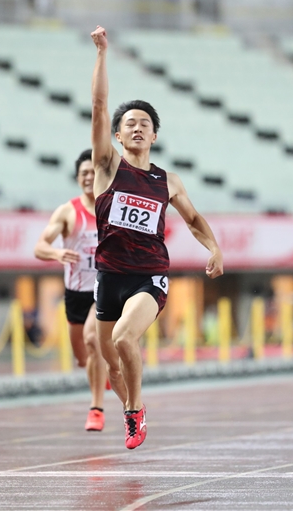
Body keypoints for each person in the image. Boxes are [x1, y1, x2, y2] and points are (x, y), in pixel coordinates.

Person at [90, 25, 224, 449]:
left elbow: (194, 218)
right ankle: (128, 398)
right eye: (129, 123)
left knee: (123, 337)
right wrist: (102, 54)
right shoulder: (108, 167)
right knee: (111, 361)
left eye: (144, 124)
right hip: (109, 275)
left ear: (154, 135)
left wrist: (214, 247)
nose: (136, 128)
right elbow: (98, 105)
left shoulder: (168, 181)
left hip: (149, 275)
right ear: (117, 135)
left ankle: (135, 411)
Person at [34, 149, 108, 431]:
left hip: (103, 290)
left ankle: (96, 408)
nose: (89, 177)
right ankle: (103, 370)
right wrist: (57, 253)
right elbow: (39, 246)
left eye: (93, 172)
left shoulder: (111, 209)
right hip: (75, 292)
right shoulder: (68, 211)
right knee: (82, 355)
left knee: (93, 340)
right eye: (83, 174)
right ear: (78, 179)